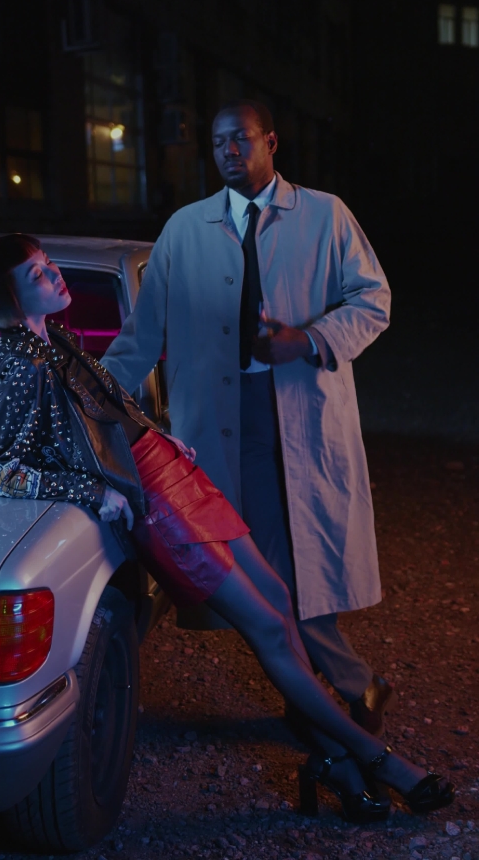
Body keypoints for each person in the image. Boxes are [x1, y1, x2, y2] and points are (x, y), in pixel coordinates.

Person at [0, 233, 454, 825]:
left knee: (278, 598)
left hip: (171, 472)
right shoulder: (22, 362)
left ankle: (334, 760)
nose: (54, 275)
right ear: (11, 301)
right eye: (38, 274)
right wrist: (94, 493)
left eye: (47, 264)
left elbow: (106, 407)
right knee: (267, 627)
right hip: (156, 504)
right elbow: (3, 467)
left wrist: (160, 435)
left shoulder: (54, 338)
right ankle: (376, 759)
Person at [102, 100, 394, 736]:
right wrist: (88, 398)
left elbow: (374, 300)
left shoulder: (325, 215)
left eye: (241, 138)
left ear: (271, 142)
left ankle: (328, 695)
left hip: (300, 414)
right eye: (217, 142)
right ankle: (348, 687)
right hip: (223, 424)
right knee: (266, 571)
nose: (229, 151)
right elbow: (141, 336)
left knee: (282, 570)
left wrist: (308, 339)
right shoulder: (185, 229)